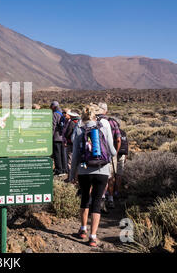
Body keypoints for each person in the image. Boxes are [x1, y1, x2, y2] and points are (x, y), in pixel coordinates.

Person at [71, 104, 117, 247]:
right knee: (96, 202)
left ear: (83, 117)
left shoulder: (79, 128)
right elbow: (113, 151)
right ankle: (93, 237)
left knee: (85, 198)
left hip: (84, 170)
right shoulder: (104, 126)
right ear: (94, 116)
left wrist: (72, 174)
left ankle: (83, 230)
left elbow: (76, 155)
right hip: (102, 170)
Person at [97, 102, 122, 210]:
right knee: (110, 177)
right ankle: (110, 199)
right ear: (106, 110)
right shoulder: (112, 122)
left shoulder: (94, 121)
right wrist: (115, 152)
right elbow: (118, 139)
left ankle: (98, 198)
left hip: (97, 154)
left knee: (98, 176)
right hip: (110, 153)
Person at [63, 109, 81, 181]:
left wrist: (65, 138)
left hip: (70, 144)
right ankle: (75, 177)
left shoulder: (72, 123)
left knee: (70, 161)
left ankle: (71, 177)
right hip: (76, 144)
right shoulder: (79, 122)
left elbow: (68, 133)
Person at [51, 101, 67, 175]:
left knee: (57, 154)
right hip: (62, 137)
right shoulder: (62, 113)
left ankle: (59, 170)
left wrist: (50, 136)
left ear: (53, 106)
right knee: (63, 154)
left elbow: (53, 126)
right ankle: (64, 169)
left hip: (56, 137)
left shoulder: (55, 114)